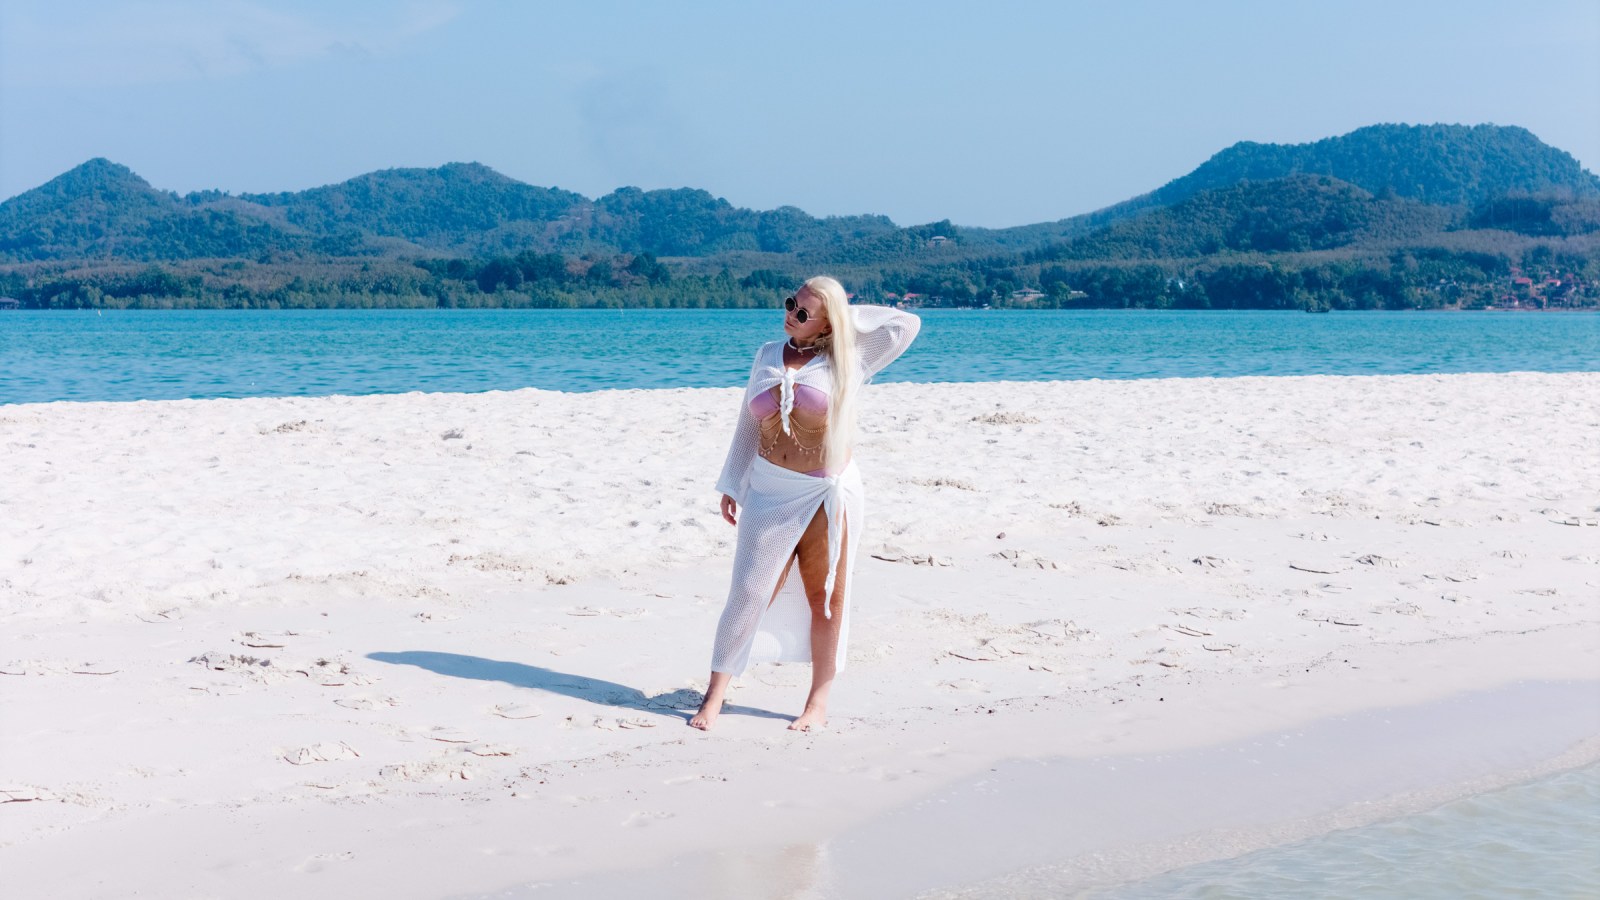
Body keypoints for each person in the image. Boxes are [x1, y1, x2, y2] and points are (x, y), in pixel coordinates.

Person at [690, 276, 921, 731]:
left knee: (826, 599)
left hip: (825, 491)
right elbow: (747, 425)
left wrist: (845, 316)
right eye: (790, 302)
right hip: (769, 488)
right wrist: (732, 484)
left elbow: (903, 325)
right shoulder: (765, 354)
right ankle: (714, 696)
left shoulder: (848, 359)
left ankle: (817, 702)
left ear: (827, 322)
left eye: (802, 311)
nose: (790, 314)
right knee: (750, 593)